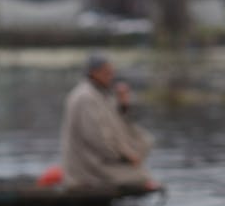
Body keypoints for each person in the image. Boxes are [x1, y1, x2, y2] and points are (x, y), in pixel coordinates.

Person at [60, 53, 158, 189]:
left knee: (143, 166)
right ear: (94, 73)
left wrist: (123, 104)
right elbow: (97, 138)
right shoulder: (85, 97)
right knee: (141, 177)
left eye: (112, 72)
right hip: (87, 166)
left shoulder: (100, 93)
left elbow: (118, 125)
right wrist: (125, 157)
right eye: (108, 72)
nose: (111, 76)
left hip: (100, 159)